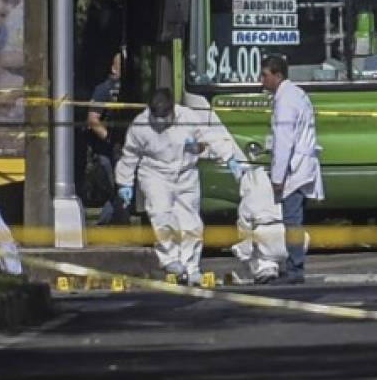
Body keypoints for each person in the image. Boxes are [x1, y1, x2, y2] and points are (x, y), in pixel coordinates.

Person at [115, 87, 244, 285]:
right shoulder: (140, 125)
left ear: (172, 110)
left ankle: (190, 267)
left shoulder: (188, 117)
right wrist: (124, 182)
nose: (160, 121)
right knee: (161, 214)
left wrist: (229, 158)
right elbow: (130, 156)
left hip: (185, 174)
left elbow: (211, 137)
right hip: (155, 174)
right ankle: (170, 259)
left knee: (191, 223)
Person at [259, 54, 324, 284]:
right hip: (300, 165)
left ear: (278, 75)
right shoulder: (294, 94)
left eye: (265, 75)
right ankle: (294, 267)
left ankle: (295, 271)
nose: (261, 80)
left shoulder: (285, 100)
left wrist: (277, 178)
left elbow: (284, 142)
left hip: (294, 170)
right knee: (294, 219)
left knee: (292, 221)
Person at [87, 52, 127, 225]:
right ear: (113, 68)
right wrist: (109, 139)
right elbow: (92, 119)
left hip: (124, 148)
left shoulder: (128, 89)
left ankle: (111, 224)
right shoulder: (103, 89)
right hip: (106, 150)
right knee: (116, 190)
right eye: (121, 66)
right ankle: (108, 225)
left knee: (120, 190)